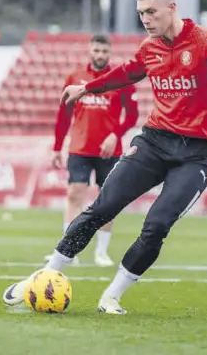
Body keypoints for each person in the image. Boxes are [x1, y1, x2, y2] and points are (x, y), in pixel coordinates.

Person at [3, 0, 207, 313]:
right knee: (102, 207)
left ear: (171, 8)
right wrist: (87, 89)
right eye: (140, 13)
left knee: (157, 225)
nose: (145, 19)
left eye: (150, 12)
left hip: (200, 153)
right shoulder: (150, 47)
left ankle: (112, 296)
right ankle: (45, 276)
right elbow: (127, 73)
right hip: (155, 142)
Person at [47, 34, 139, 266]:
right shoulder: (75, 78)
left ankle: (101, 252)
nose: (100, 55)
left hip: (109, 150)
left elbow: (133, 115)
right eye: (96, 51)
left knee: (108, 199)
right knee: (74, 194)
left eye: (104, 51)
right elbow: (63, 115)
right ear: (90, 51)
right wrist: (57, 147)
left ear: (110, 53)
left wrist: (114, 135)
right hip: (80, 147)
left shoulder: (120, 79)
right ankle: (69, 251)